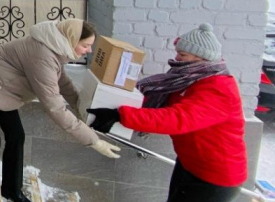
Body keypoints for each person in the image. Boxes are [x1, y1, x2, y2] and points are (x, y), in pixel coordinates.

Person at [0, 19, 120, 202]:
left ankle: (12, 190)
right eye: (85, 45)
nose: (89, 50)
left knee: (16, 136)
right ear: (71, 40)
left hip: (5, 88)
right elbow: (54, 107)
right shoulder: (42, 56)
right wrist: (93, 141)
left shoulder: (54, 48)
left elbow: (61, 80)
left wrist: (82, 109)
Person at [88, 24, 247, 202]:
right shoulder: (187, 80)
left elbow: (177, 118)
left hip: (216, 177)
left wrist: (121, 115)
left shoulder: (219, 88)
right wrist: (115, 103)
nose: (176, 58)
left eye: (183, 55)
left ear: (202, 58)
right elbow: (156, 102)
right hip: (189, 164)